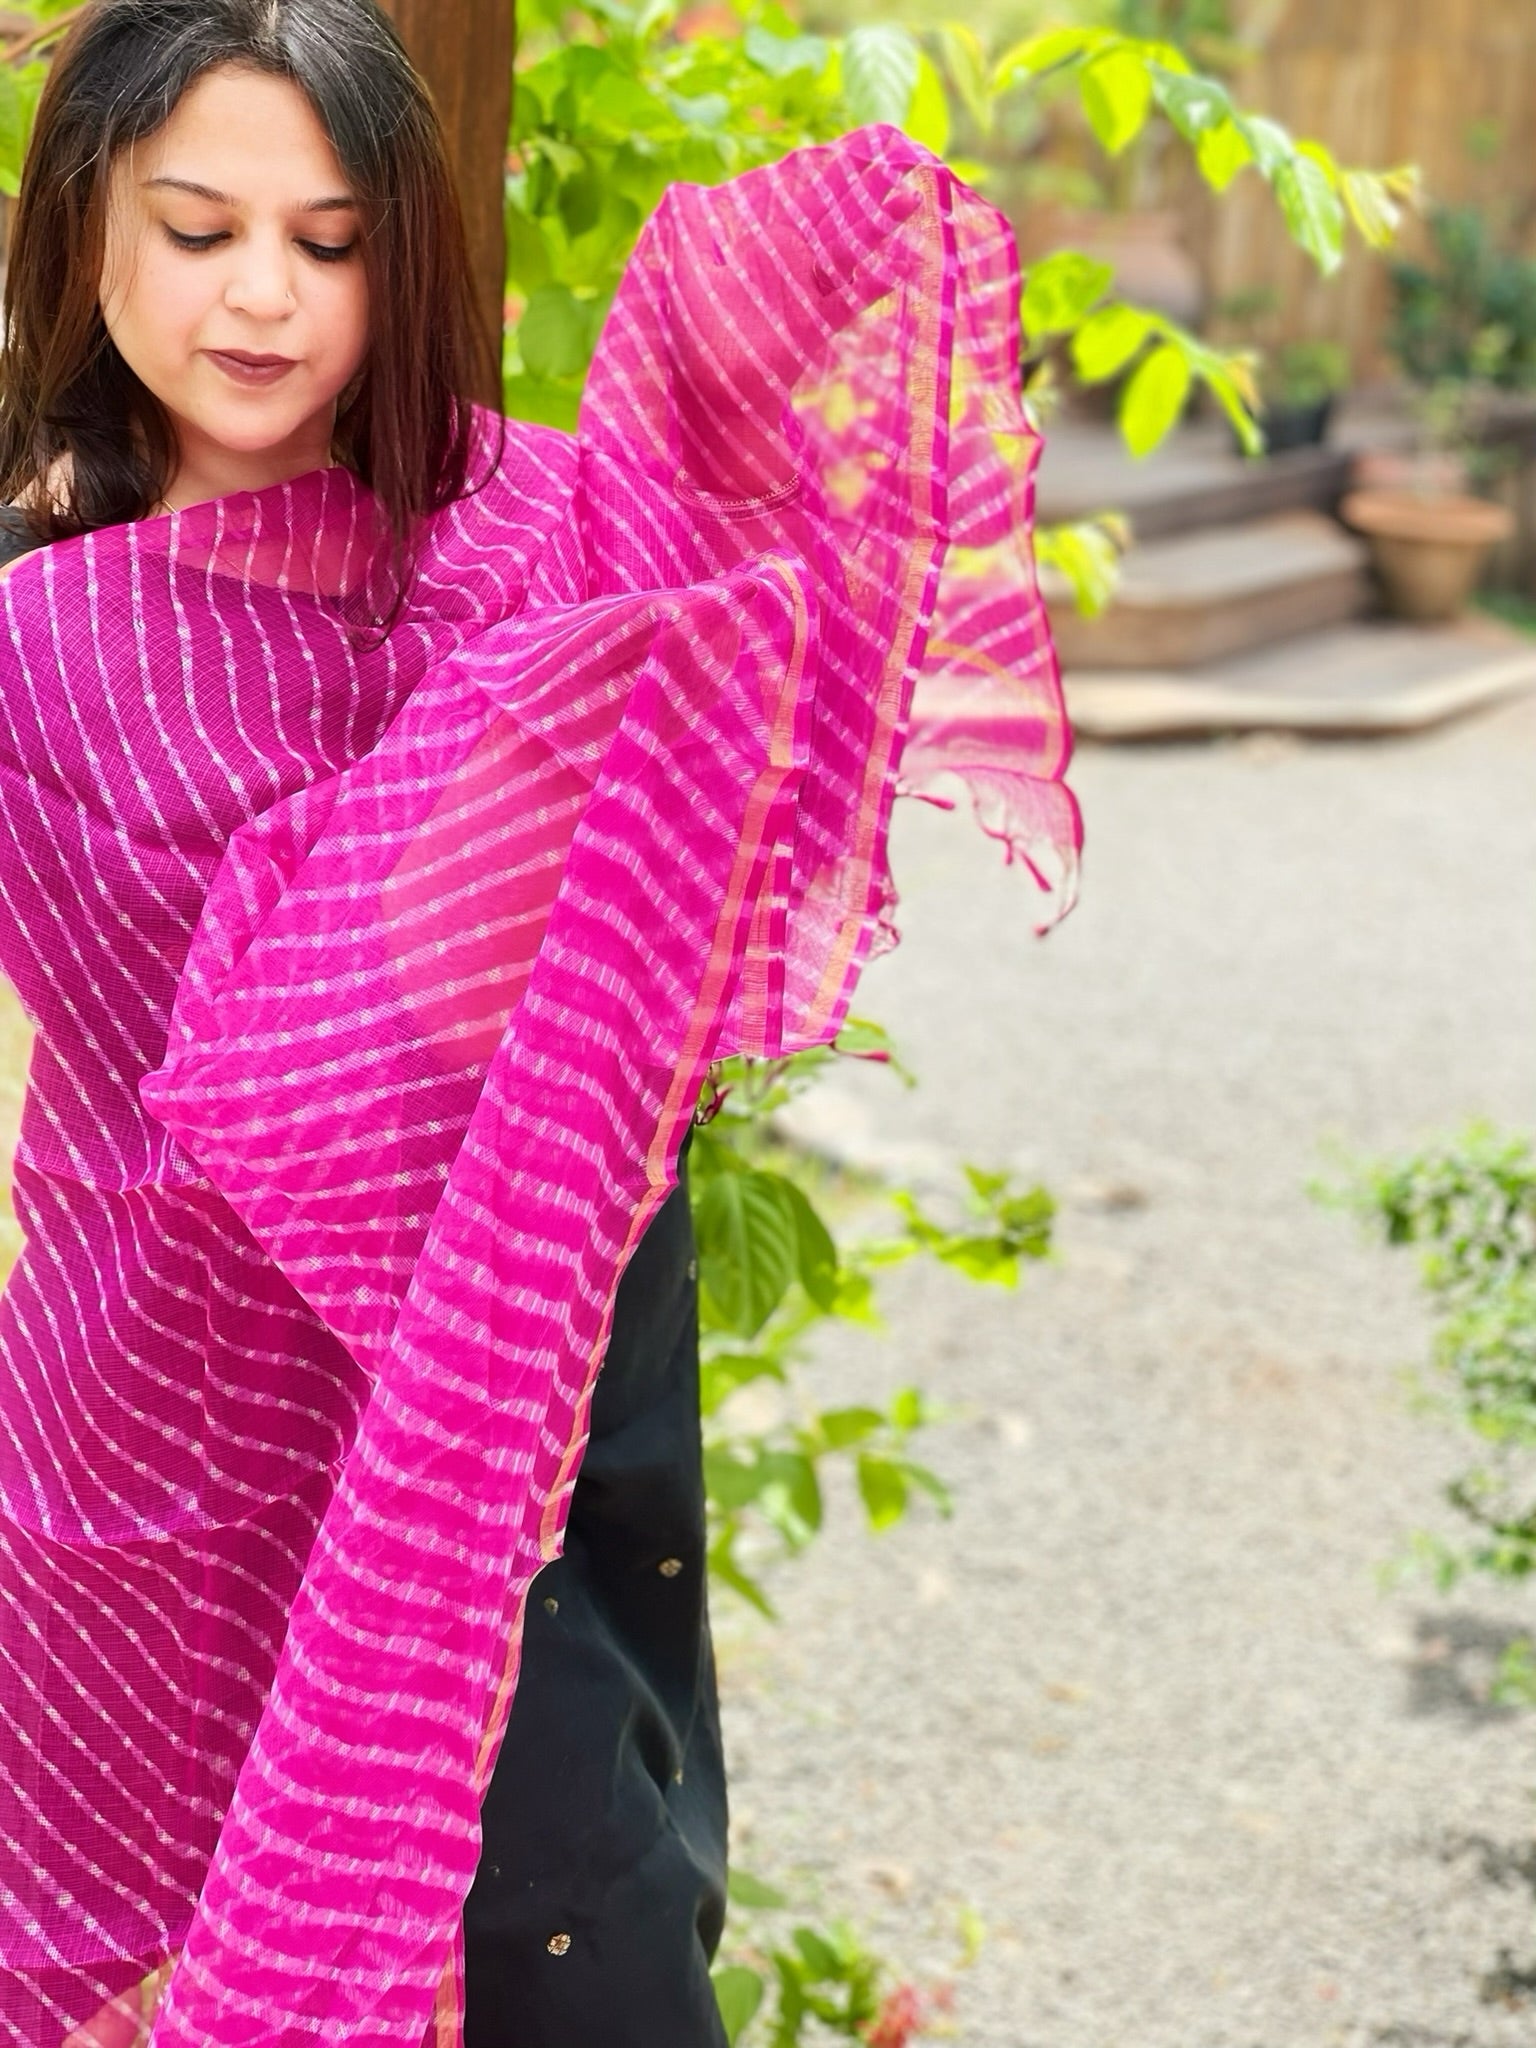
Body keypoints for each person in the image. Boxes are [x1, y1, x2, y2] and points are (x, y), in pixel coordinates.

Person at [0, 4, 1077, 2047]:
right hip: (161, 1404)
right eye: (199, 225)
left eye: (330, 242)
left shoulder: (528, 536)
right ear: (87, 230)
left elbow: (743, 684)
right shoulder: (39, 626)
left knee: (573, 1920)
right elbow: (192, 1046)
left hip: (517, 1378)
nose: (263, 296)